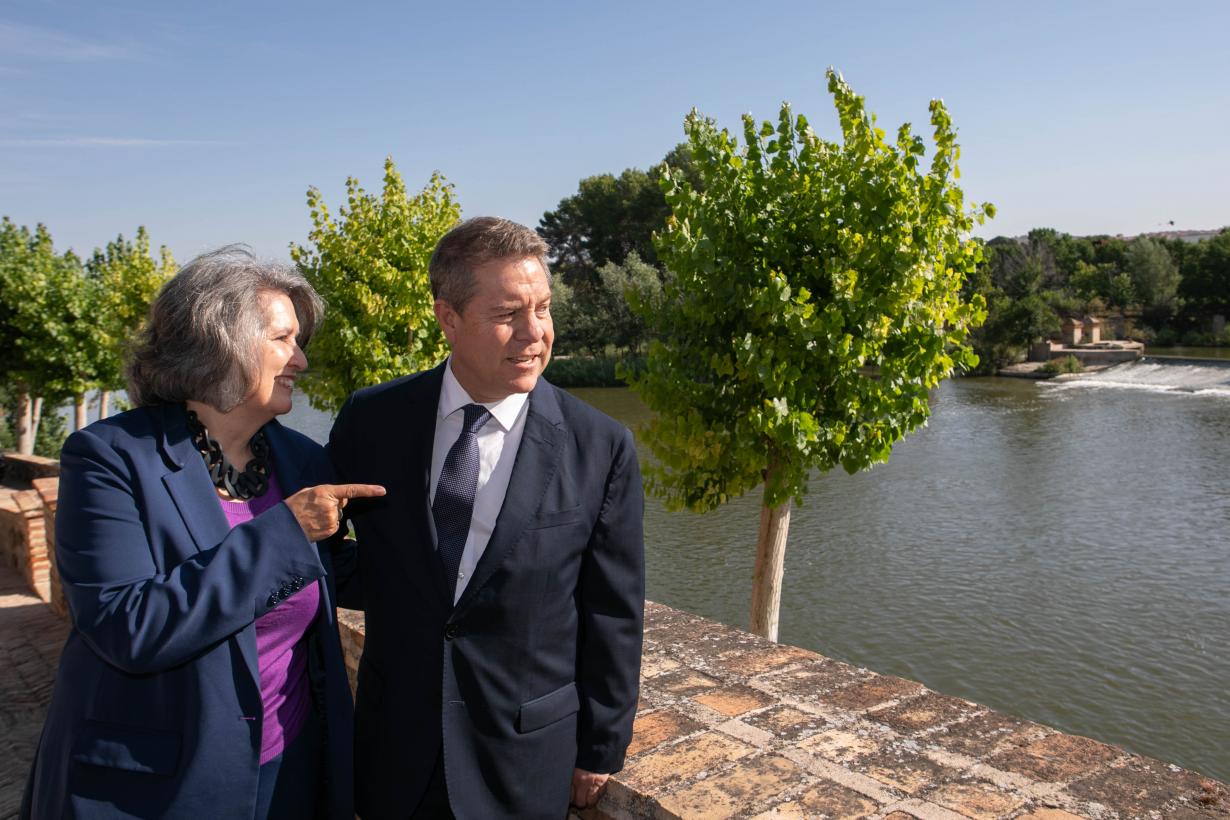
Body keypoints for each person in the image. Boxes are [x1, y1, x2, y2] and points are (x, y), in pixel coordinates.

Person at [22, 247, 384, 819]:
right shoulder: (110, 459)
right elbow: (128, 626)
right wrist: (284, 533)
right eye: (282, 339)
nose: (301, 361)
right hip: (155, 787)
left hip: (293, 772)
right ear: (221, 343)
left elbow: (329, 578)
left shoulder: (304, 462)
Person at [328, 217, 645, 818]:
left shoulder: (600, 446)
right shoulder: (372, 421)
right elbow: (328, 551)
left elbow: (612, 611)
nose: (535, 334)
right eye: (508, 315)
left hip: (524, 764)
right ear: (448, 318)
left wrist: (602, 747)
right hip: (394, 749)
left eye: (544, 309)